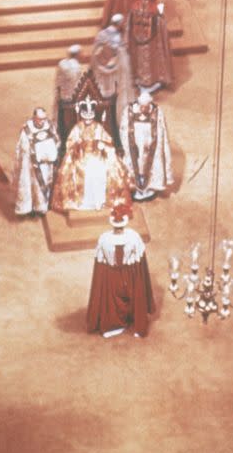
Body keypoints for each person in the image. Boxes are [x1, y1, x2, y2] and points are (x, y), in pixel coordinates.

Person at [86, 202, 155, 337]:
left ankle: (112, 325)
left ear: (112, 223)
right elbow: (140, 262)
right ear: (125, 223)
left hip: (111, 276)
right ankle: (134, 320)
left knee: (112, 298)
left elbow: (100, 264)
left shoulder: (104, 239)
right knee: (133, 293)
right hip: (129, 274)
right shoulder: (134, 237)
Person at [51, 99, 132, 212]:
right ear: (82, 115)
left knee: (103, 171)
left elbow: (108, 140)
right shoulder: (77, 128)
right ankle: (84, 202)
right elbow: (69, 143)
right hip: (81, 156)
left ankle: (100, 201)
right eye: (86, 116)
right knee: (81, 172)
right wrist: (77, 144)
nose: (88, 119)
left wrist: (102, 144)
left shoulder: (98, 127)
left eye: (90, 117)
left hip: (97, 155)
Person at [119, 90, 174, 201]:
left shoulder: (157, 111)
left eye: (146, 106)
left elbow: (161, 130)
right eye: (141, 106)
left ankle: (149, 187)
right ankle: (135, 188)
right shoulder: (129, 111)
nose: (143, 109)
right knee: (135, 165)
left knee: (151, 164)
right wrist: (129, 144)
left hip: (150, 146)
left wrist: (152, 143)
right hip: (134, 145)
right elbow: (123, 129)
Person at [91, 14, 134, 142]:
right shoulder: (113, 37)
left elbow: (96, 53)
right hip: (112, 72)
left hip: (108, 71)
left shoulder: (103, 34)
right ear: (119, 23)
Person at [13, 107, 60, 218]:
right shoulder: (27, 129)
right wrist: (36, 153)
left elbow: (56, 140)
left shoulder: (49, 126)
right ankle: (26, 209)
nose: (42, 121)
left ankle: (40, 208)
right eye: (39, 119)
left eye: (44, 118)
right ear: (34, 118)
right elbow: (23, 146)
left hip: (45, 163)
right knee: (29, 185)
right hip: (30, 164)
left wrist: (49, 152)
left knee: (41, 185)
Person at [125, 0, 174, 92]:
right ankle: (151, 81)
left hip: (136, 41)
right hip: (151, 41)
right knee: (150, 59)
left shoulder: (134, 6)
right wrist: (162, 16)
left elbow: (129, 24)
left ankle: (138, 79)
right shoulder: (154, 8)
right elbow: (159, 25)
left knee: (139, 59)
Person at [54, 43, 84, 142]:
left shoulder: (62, 64)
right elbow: (77, 84)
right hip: (71, 97)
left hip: (61, 94)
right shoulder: (77, 67)